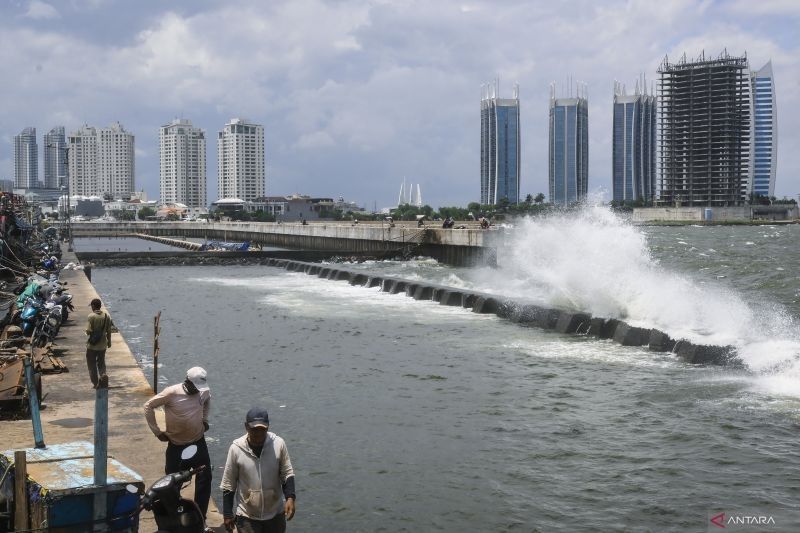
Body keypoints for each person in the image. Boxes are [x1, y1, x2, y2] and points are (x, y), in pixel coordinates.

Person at [144, 367, 212, 521]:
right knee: (172, 483)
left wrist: (205, 420)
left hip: (198, 442)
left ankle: (201, 517)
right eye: (195, 387)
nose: (198, 390)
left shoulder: (204, 391)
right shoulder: (171, 393)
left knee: (205, 478)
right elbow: (148, 406)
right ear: (187, 382)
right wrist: (157, 432)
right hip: (176, 446)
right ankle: (173, 517)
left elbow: (208, 401)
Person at [220, 407, 296, 533]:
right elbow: (229, 483)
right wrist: (227, 513)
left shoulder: (278, 444)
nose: (259, 433)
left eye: (262, 429)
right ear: (246, 427)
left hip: (275, 514)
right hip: (247, 516)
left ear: (268, 427)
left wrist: (290, 498)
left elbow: (287, 473)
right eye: (254, 429)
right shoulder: (236, 449)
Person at [85, 298, 111, 388]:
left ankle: (96, 383)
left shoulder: (91, 316)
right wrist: (109, 342)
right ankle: (103, 375)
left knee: (91, 363)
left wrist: (86, 332)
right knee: (101, 362)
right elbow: (109, 330)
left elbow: (88, 330)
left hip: (92, 345)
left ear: (93, 306)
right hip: (103, 344)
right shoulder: (106, 316)